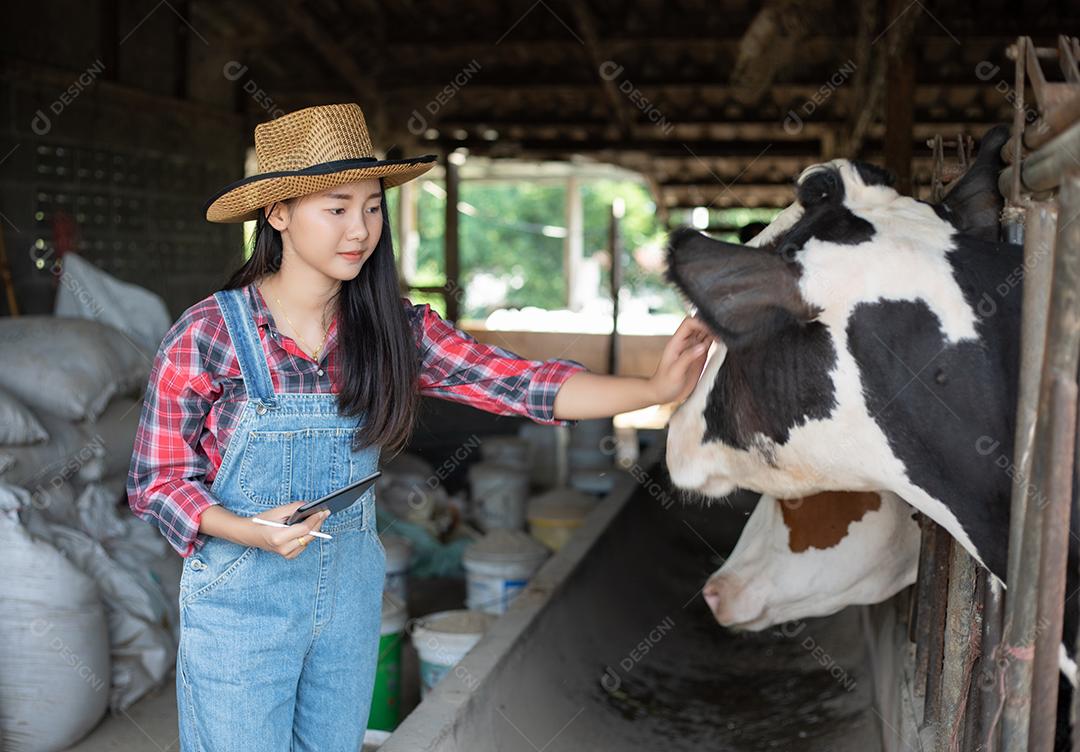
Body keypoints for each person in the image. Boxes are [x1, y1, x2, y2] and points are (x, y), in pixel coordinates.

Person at [126, 102, 713, 751]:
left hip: (347, 600)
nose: (360, 230)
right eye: (338, 207)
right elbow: (158, 479)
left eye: (372, 207)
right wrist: (245, 529)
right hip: (240, 606)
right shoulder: (209, 336)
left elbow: (519, 384)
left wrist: (653, 389)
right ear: (279, 212)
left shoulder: (393, 331)